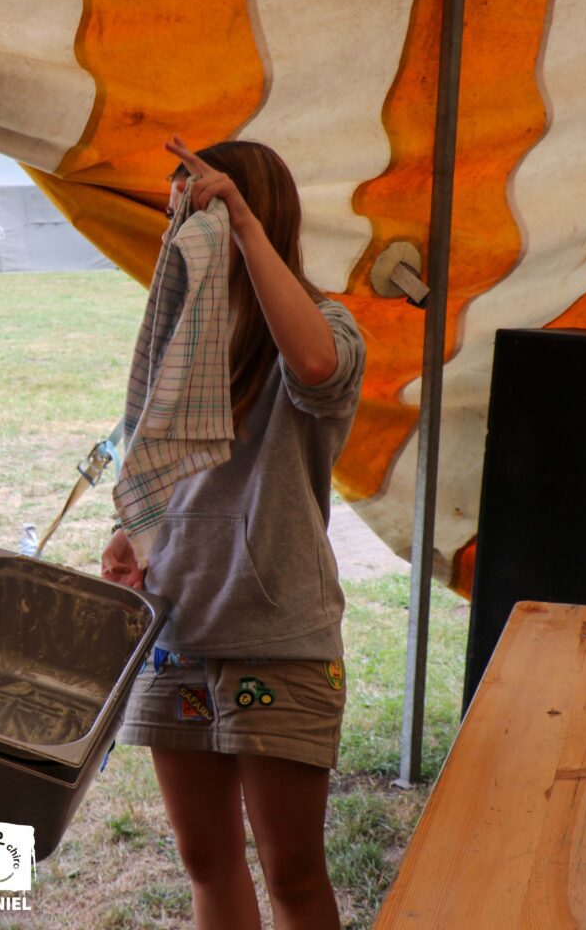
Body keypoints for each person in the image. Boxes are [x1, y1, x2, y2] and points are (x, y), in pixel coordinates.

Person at [102, 136, 365, 930]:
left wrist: (244, 226)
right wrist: (131, 535)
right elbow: (159, 462)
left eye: (199, 211)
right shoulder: (183, 336)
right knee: (206, 862)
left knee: (292, 873)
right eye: (176, 212)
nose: (180, 229)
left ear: (252, 215)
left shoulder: (321, 325)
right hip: (177, 629)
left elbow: (315, 367)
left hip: (277, 637)